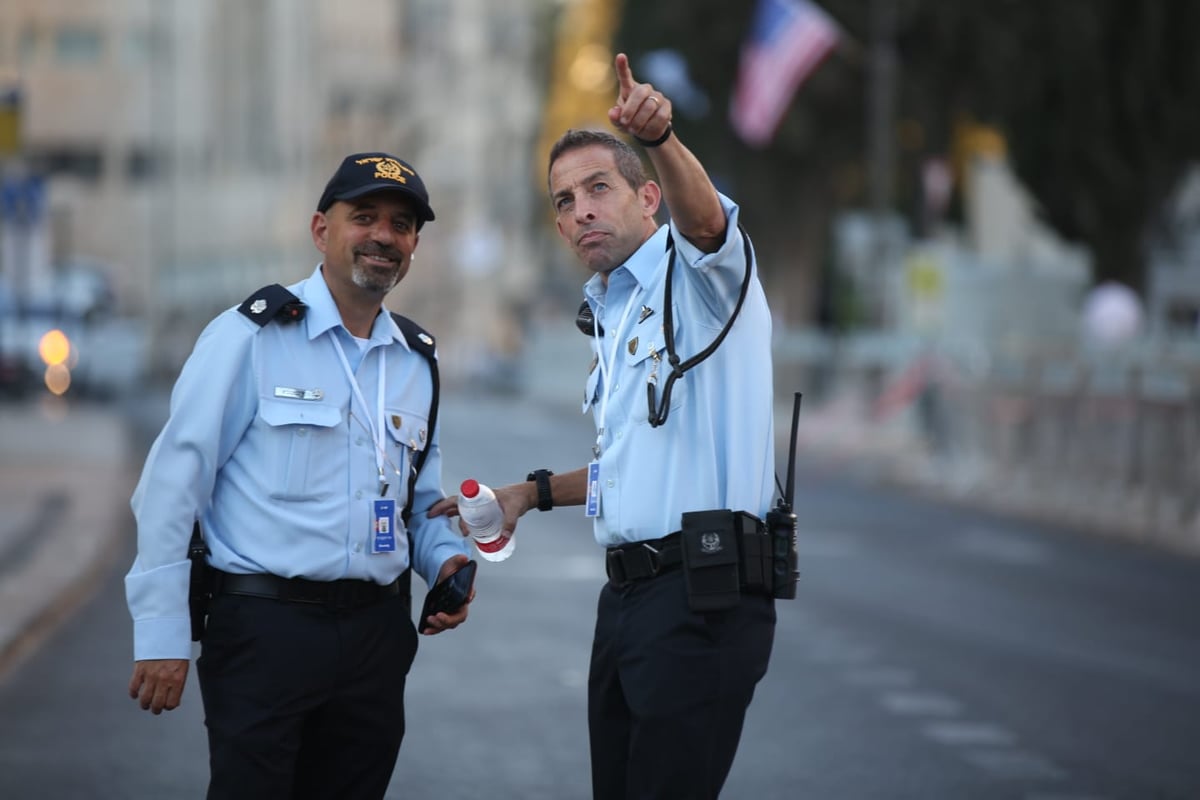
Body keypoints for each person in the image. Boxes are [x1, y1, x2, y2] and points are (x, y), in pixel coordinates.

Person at [434, 54, 779, 799]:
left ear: (648, 196)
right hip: (627, 603)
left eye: (599, 189)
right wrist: (530, 494)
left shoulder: (702, 279)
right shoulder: (614, 313)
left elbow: (709, 224)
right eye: (564, 200)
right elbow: (632, 467)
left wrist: (660, 136)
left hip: (703, 598)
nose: (581, 210)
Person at [125, 151, 473, 800]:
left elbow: (419, 501)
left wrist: (447, 560)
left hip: (374, 636)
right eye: (363, 216)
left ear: (414, 245)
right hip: (265, 630)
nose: (382, 236)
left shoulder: (416, 362)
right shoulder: (249, 337)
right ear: (321, 230)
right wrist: (161, 632)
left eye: (400, 225)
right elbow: (172, 486)